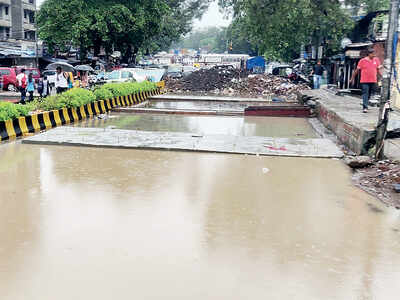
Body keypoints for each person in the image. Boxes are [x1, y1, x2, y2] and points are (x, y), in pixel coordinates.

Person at [350, 48, 383, 113]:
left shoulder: (376, 60)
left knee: (369, 94)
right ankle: (365, 107)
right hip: (364, 80)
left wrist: (383, 77)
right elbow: (357, 70)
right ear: (369, 54)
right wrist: (352, 78)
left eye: (374, 54)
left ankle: (365, 103)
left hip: (373, 80)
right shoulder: (362, 61)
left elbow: (379, 70)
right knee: (365, 93)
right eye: (372, 54)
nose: (374, 55)